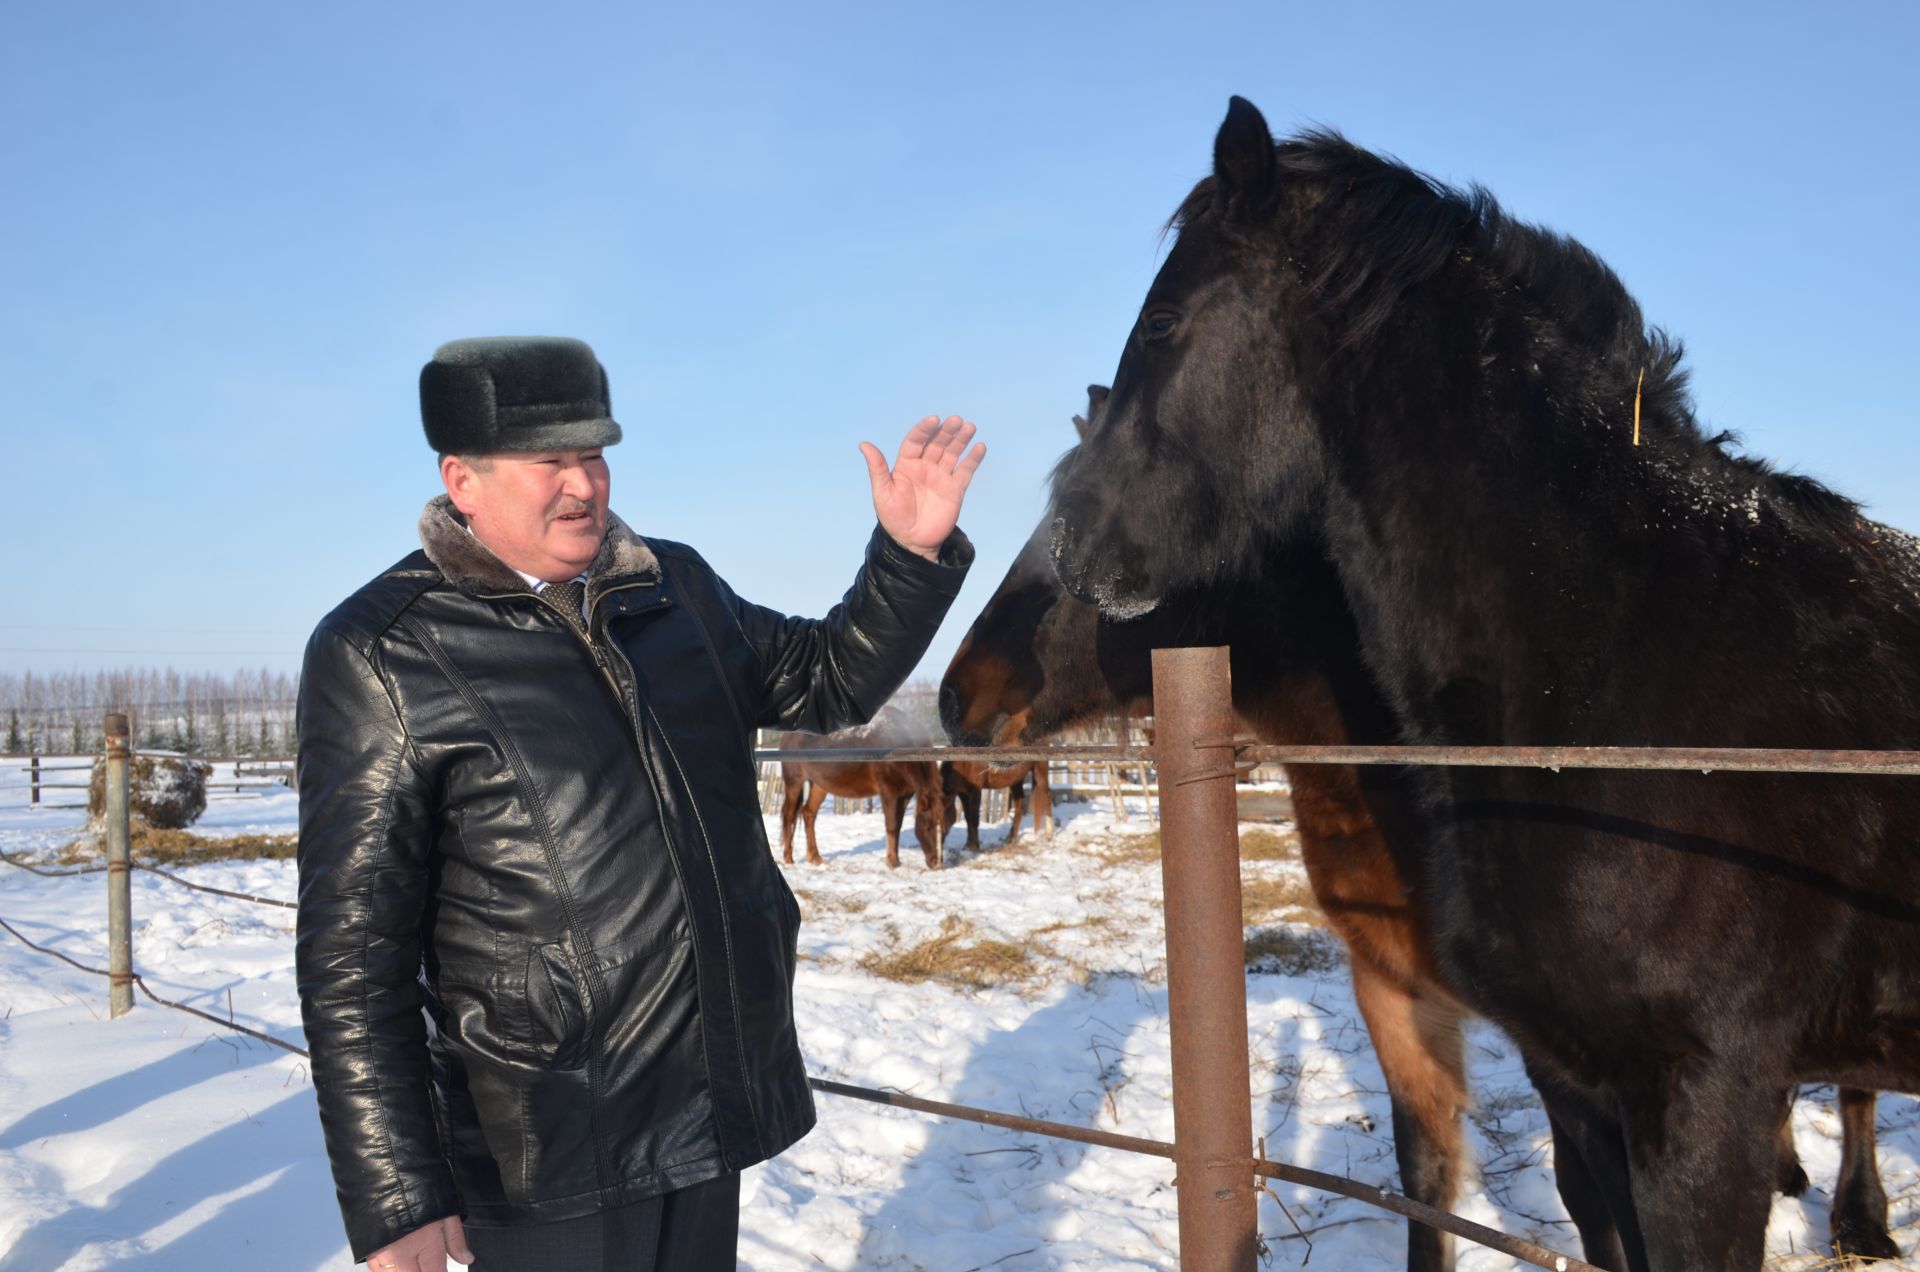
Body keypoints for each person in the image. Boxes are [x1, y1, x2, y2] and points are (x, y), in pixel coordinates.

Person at [296, 336, 982, 1271]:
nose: (583, 485)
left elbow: (826, 684)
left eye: (594, 455)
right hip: (545, 1144)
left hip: (706, 1099)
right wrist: (396, 1193)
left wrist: (910, 553)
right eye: (550, 462)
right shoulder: (382, 653)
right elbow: (352, 955)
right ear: (464, 481)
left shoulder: (677, 592)